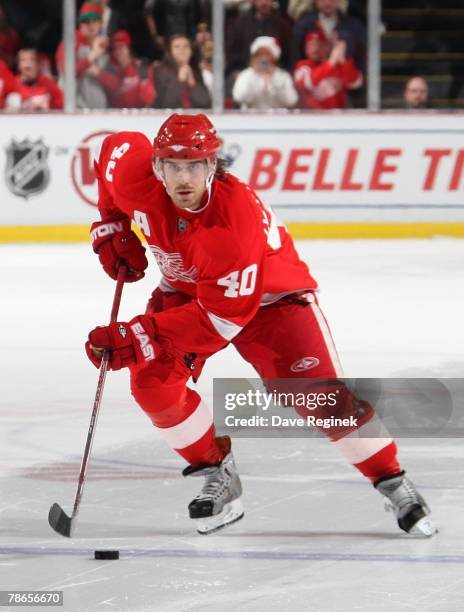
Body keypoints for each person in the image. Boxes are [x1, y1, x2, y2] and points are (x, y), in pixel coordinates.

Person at [85, 113, 436, 538]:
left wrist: (142, 336)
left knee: (319, 397)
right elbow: (109, 152)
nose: (183, 178)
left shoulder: (231, 226)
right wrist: (112, 226)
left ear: (213, 166)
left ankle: (392, 479)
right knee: (152, 383)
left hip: (271, 300)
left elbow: (219, 321)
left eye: (194, 166)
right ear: (156, 166)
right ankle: (218, 473)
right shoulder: (134, 175)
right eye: (172, 166)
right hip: (190, 290)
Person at [55, 2, 109, 109]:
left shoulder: (104, 46)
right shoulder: (70, 42)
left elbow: (116, 84)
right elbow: (67, 72)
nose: (90, 25)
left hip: (99, 110)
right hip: (72, 109)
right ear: (80, 24)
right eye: (86, 21)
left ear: (101, 23)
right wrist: (91, 57)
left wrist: (98, 74)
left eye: (94, 21)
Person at [294, 28, 362, 109]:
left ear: (327, 47)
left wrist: (344, 60)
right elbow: (307, 83)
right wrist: (330, 63)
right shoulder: (302, 66)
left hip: (339, 116)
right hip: (312, 117)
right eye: (310, 45)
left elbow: (355, 83)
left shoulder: (340, 65)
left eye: (319, 44)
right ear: (305, 48)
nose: (315, 49)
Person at [292, 0, 365, 73]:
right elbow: (294, 57)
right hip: (311, 78)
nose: (328, 3)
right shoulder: (303, 25)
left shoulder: (354, 27)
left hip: (345, 78)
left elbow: (362, 61)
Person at [226, 0, 293, 74]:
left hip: (275, 73)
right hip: (245, 72)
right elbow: (233, 52)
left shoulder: (282, 25)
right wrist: (236, 71)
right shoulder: (241, 24)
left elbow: (291, 54)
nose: (264, 3)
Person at [92, 30, 156, 108]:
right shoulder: (109, 70)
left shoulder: (142, 68)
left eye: (121, 47)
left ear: (128, 48)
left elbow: (151, 99)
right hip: (116, 116)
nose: (118, 51)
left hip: (138, 115)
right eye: (115, 48)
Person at [232, 36, 298, 109]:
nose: (263, 58)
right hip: (251, 117)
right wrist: (255, 76)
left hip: (278, 117)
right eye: (259, 54)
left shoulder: (282, 76)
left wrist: (274, 78)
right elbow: (239, 97)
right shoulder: (246, 75)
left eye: (267, 54)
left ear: (274, 57)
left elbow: (291, 100)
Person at [152, 34, 210, 109]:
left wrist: (192, 83)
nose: (182, 50)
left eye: (186, 46)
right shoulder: (160, 71)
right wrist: (180, 80)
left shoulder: (195, 70)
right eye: (177, 47)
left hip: (193, 117)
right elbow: (165, 104)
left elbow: (206, 103)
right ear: (170, 51)